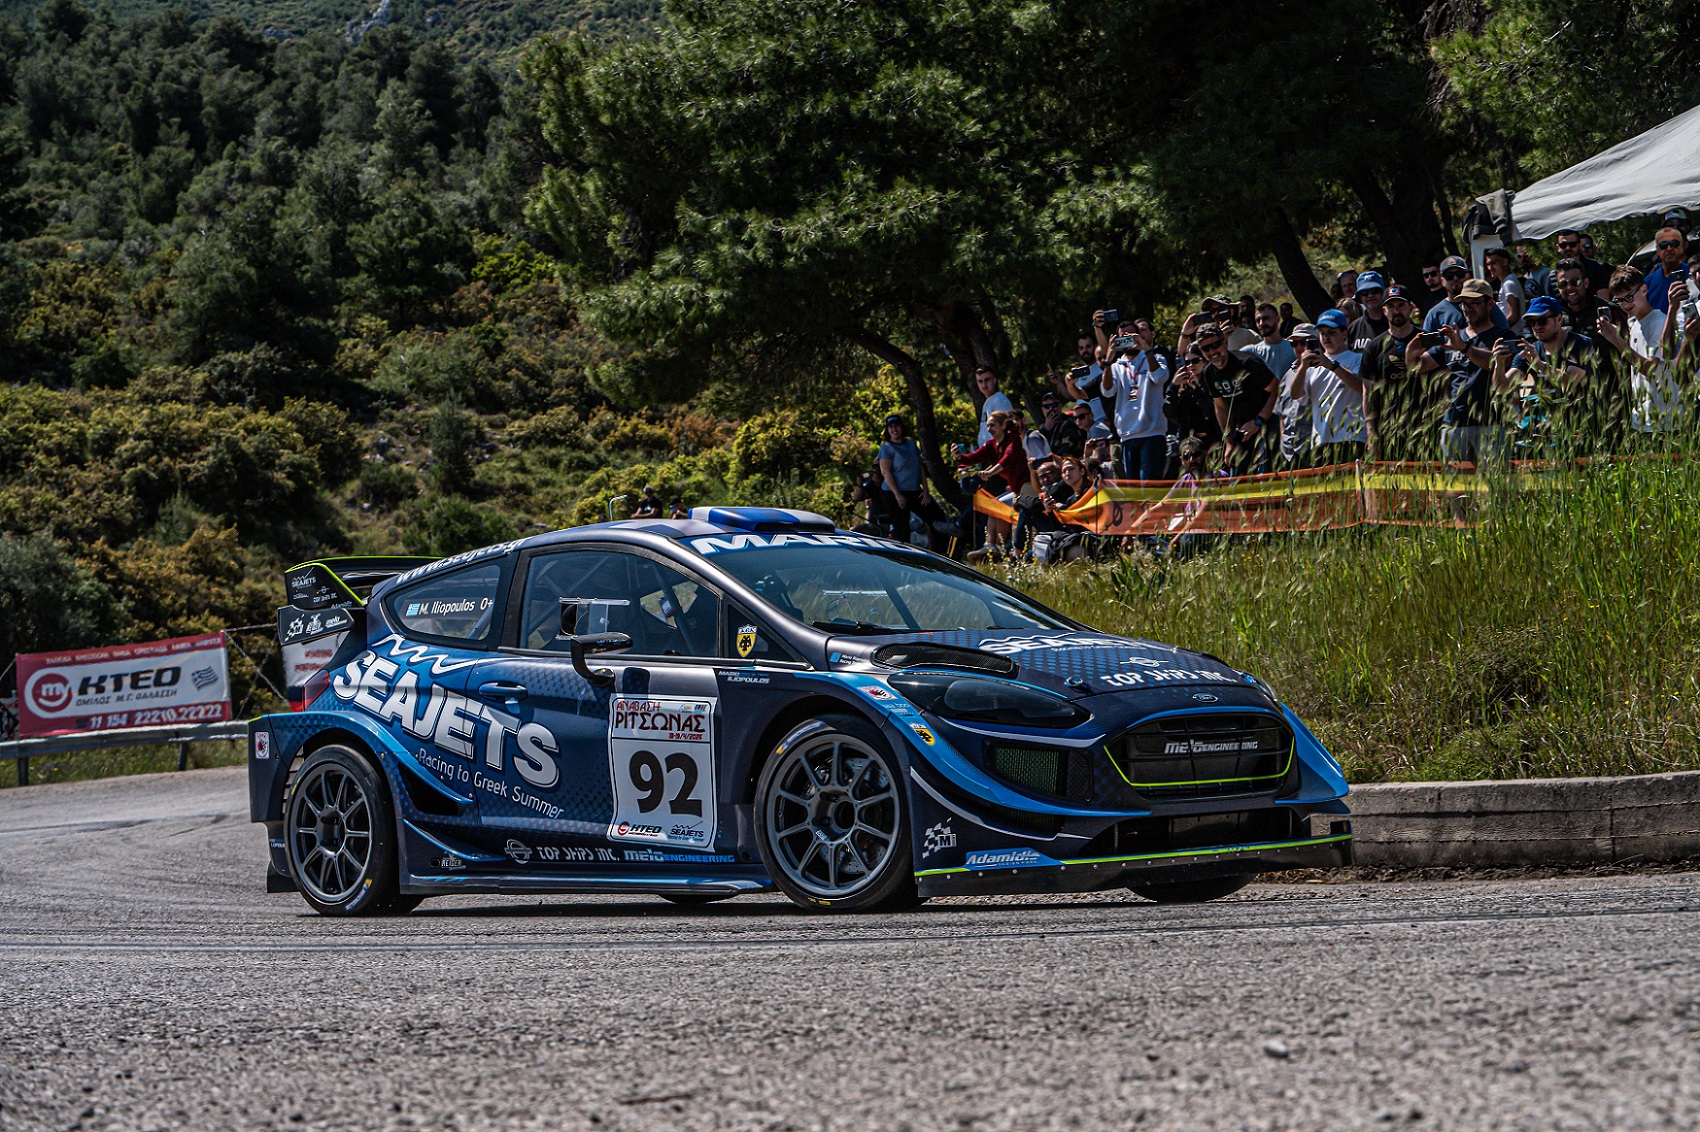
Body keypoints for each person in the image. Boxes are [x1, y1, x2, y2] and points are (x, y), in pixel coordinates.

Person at [1407, 278, 1515, 464]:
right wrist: (1411, 353)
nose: (1468, 308)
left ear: (1490, 304)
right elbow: (1419, 367)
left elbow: (1498, 363)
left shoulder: (1503, 335)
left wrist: (1465, 348)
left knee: (1493, 480)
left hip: (1491, 423)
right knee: (1455, 481)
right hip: (1454, 423)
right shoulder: (1456, 337)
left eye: (1474, 303)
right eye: (1464, 304)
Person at [1492, 295, 1611, 455]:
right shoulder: (1530, 351)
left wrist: (1538, 363)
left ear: (1559, 319)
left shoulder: (1580, 344)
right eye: (1532, 323)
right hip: (1545, 435)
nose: (1537, 327)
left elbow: (1568, 383)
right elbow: (1502, 388)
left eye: (1542, 321)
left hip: (1580, 433)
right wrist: (1499, 365)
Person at [1593, 265, 1686, 437]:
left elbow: (1650, 369)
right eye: (1620, 300)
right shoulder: (1635, 325)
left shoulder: (1658, 322)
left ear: (1643, 289)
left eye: (1629, 297)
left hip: (1666, 422)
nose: (1625, 304)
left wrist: (1616, 339)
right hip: (1644, 420)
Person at [1197, 321, 1278, 476]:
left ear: (1225, 342)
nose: (1212, 351)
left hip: (1267, 422)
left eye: (1215, 345)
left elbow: (1275, 389)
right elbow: (1220, 407)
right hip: (1241, 428)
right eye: (1206, 348)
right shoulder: (1209, 373)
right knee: (1239, 476)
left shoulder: (1247, 363)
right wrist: (1228, 442)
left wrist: (1258, 421)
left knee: (1267, 474)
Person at [1359, 284, 1427, 461]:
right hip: (1388, 430)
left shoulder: (1425, 340)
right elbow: (1367, 392)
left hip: (1425, 428)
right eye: (1391, 306)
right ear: (1384, 311)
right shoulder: (1374, 347)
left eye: (1401, 305)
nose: (1396, 311)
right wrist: (1371, 431)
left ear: (1410, 308)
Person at [1290, 309, 1367, 465]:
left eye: (1331, 332)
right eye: (1322, 333)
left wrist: (1331, 365)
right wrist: (1303, 367)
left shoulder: (1358, 359)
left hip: (1352, 438)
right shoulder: (1311, 364)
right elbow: (1295, 394)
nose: (1326, 337)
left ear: (1344, 333)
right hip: (1321, 441)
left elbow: (1362, 387)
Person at [955, 409, 1029, 553]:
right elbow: (973, 458)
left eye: (992, 425)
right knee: (993, 505)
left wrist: (990, 472)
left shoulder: (1013, 439)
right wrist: (959, 457)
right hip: (1015, 488)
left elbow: (1007, 459)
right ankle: (989, 545)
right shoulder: (991, 445)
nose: (989, 429)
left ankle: (999, 548)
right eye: (988, 426)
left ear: (1003, 425)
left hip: (1027, 485)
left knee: (1000, 505)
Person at [1103, 329, 1170, 480]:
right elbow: (1107, 391)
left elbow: (1160, 377)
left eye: (1131, 336)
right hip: (1127, 434)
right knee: (1133, 487)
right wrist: (1108, 359)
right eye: (1123, 337)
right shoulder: (1116, 366)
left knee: (1149, 484)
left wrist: (1146, 348)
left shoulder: (1155, 358)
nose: (1128, 340)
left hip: (1152, 432)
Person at [1273, 323, 1316, 469]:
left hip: (1311, 448)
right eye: (1294, 343)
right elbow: (1280, 411)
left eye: (1303, 342)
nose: (1298, 347)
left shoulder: (1322, 370)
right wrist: (1282, 439)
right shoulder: (1287, 374)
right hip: (1287, 452)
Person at [876, 414, 925, 543]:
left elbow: (920, 467)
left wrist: (925, 490)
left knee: (934, 517)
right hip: (894, 492)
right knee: (901, 527)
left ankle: (937, 549)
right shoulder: (886, 448)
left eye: (896, 426)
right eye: (891, 427)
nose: (894, 429)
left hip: (914, 490)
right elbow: (886, 473)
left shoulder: (911, 444)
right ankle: (902, 552)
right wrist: (898, 495)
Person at [1242, 303, 1296, 396]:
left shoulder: (1294, 347)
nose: (1261, 324)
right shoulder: (1250, 352)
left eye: (1266, 318)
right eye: (1258, 320)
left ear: (1277, 319)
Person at [1553, 230, 1612, 298]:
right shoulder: (1553, 275)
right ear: (1558, 247)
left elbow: (1604, 299)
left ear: (1579, 245)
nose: (1568, 248)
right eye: (1563, 245)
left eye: (1572, 244)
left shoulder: (1597, 268)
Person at [1643, 226, 1689, 313]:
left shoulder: (1693, 274)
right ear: (1657, 250)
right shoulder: (1648, 282)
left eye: (1674, 244)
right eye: (1663, 245)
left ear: (1683, 246)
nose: (1669, 249)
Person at [1484, 246, 1526, 333]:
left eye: (1494, 263)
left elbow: (1514, 316)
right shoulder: (1506, 282)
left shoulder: (1509, 284)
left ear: (1505, 262)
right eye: (1488, 264)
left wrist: (1499, 331)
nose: (1490, 268)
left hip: (1513, 334)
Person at [1423, 256, 1471, 331]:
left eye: (1460, 274)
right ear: (1442, 281)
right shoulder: (1435, 314)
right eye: (1449, 276)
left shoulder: (1482, 305)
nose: (1455, 278)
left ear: (1468, 276)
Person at [1346, 271, 1389, 353]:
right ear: (1360, 298)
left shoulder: (1397, 323)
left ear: (1383, 293)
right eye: (1364, 293)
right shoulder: (1354, 328)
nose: (1370, 295)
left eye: (1375, 291)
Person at [972, 366, 1014, 445]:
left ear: (994, 380)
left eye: (987, 380)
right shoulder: (988, 402)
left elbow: (1007, 429)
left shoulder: (999, 400)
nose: (984, 385)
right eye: (980, 381)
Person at [1036, 392, 1084, 457]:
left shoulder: (1069, 424)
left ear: (1060, 405)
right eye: (1047, 406)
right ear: (1042, 409)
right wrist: (1045, 430)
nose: (1051, 409)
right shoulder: (1043, 428)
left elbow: (1066, 450)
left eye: (1054, 405)